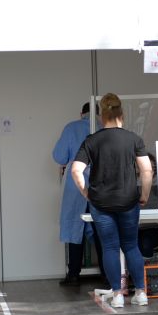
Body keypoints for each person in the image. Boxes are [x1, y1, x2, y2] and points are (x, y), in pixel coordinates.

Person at [72, 93, 152, 308]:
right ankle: (141, 293)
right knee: (131, 246)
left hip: (101, 203)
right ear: (121, 114)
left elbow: (76, 170)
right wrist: (144, 195)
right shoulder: (133, 139)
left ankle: (117, 295)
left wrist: (86, 192)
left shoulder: (91, 141)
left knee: (109, 247)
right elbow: (146, 169)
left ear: (102, 116)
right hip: (128, 201)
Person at [52, 102, 107, 288]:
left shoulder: (71, 128)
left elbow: (59, 157)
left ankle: (73, 274)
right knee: (103, 231)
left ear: (81, 113)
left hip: (77, 186)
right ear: (100, 114)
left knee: (76, 230)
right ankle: (107, 275)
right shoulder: (105, 129)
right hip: (102, 187)